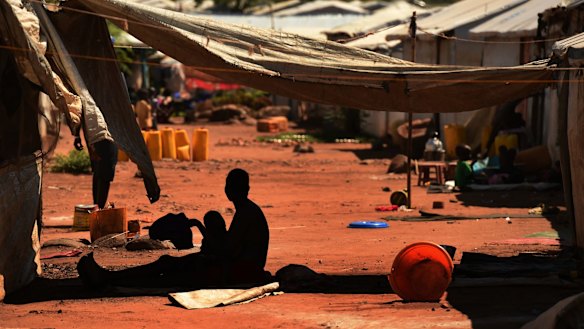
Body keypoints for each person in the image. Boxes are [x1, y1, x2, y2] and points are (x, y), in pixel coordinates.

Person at [77, 168, 270, 288]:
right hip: (235, 266)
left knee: (167, 269)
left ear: (232, 189)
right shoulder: (247, 210)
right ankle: (110, 276)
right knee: (168, 263)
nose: (228, 190)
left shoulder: (246, 213)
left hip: (240, 271)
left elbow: (226, 250)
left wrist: (201, 228)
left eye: (230, 186)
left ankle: (110, 278)